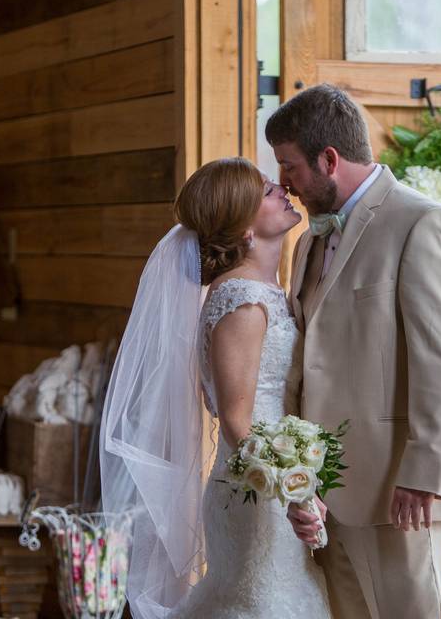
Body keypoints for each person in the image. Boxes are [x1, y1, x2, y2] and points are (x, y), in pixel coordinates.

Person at [266, 84, 441, 619]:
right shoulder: (307, 242)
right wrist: (304, 475)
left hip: (400, 488)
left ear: (329, 159)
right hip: (330, 489)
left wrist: (422, 473)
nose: (284, 183)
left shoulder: (422, 223)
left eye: (289, 166)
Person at [99, 157, 331, 619]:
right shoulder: (241, 302)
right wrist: (293, 491)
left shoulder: (262, 291)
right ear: (245, 229)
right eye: (267, 192)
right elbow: (236, 420)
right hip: (259, 496)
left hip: (267, 487)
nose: (282, 189)